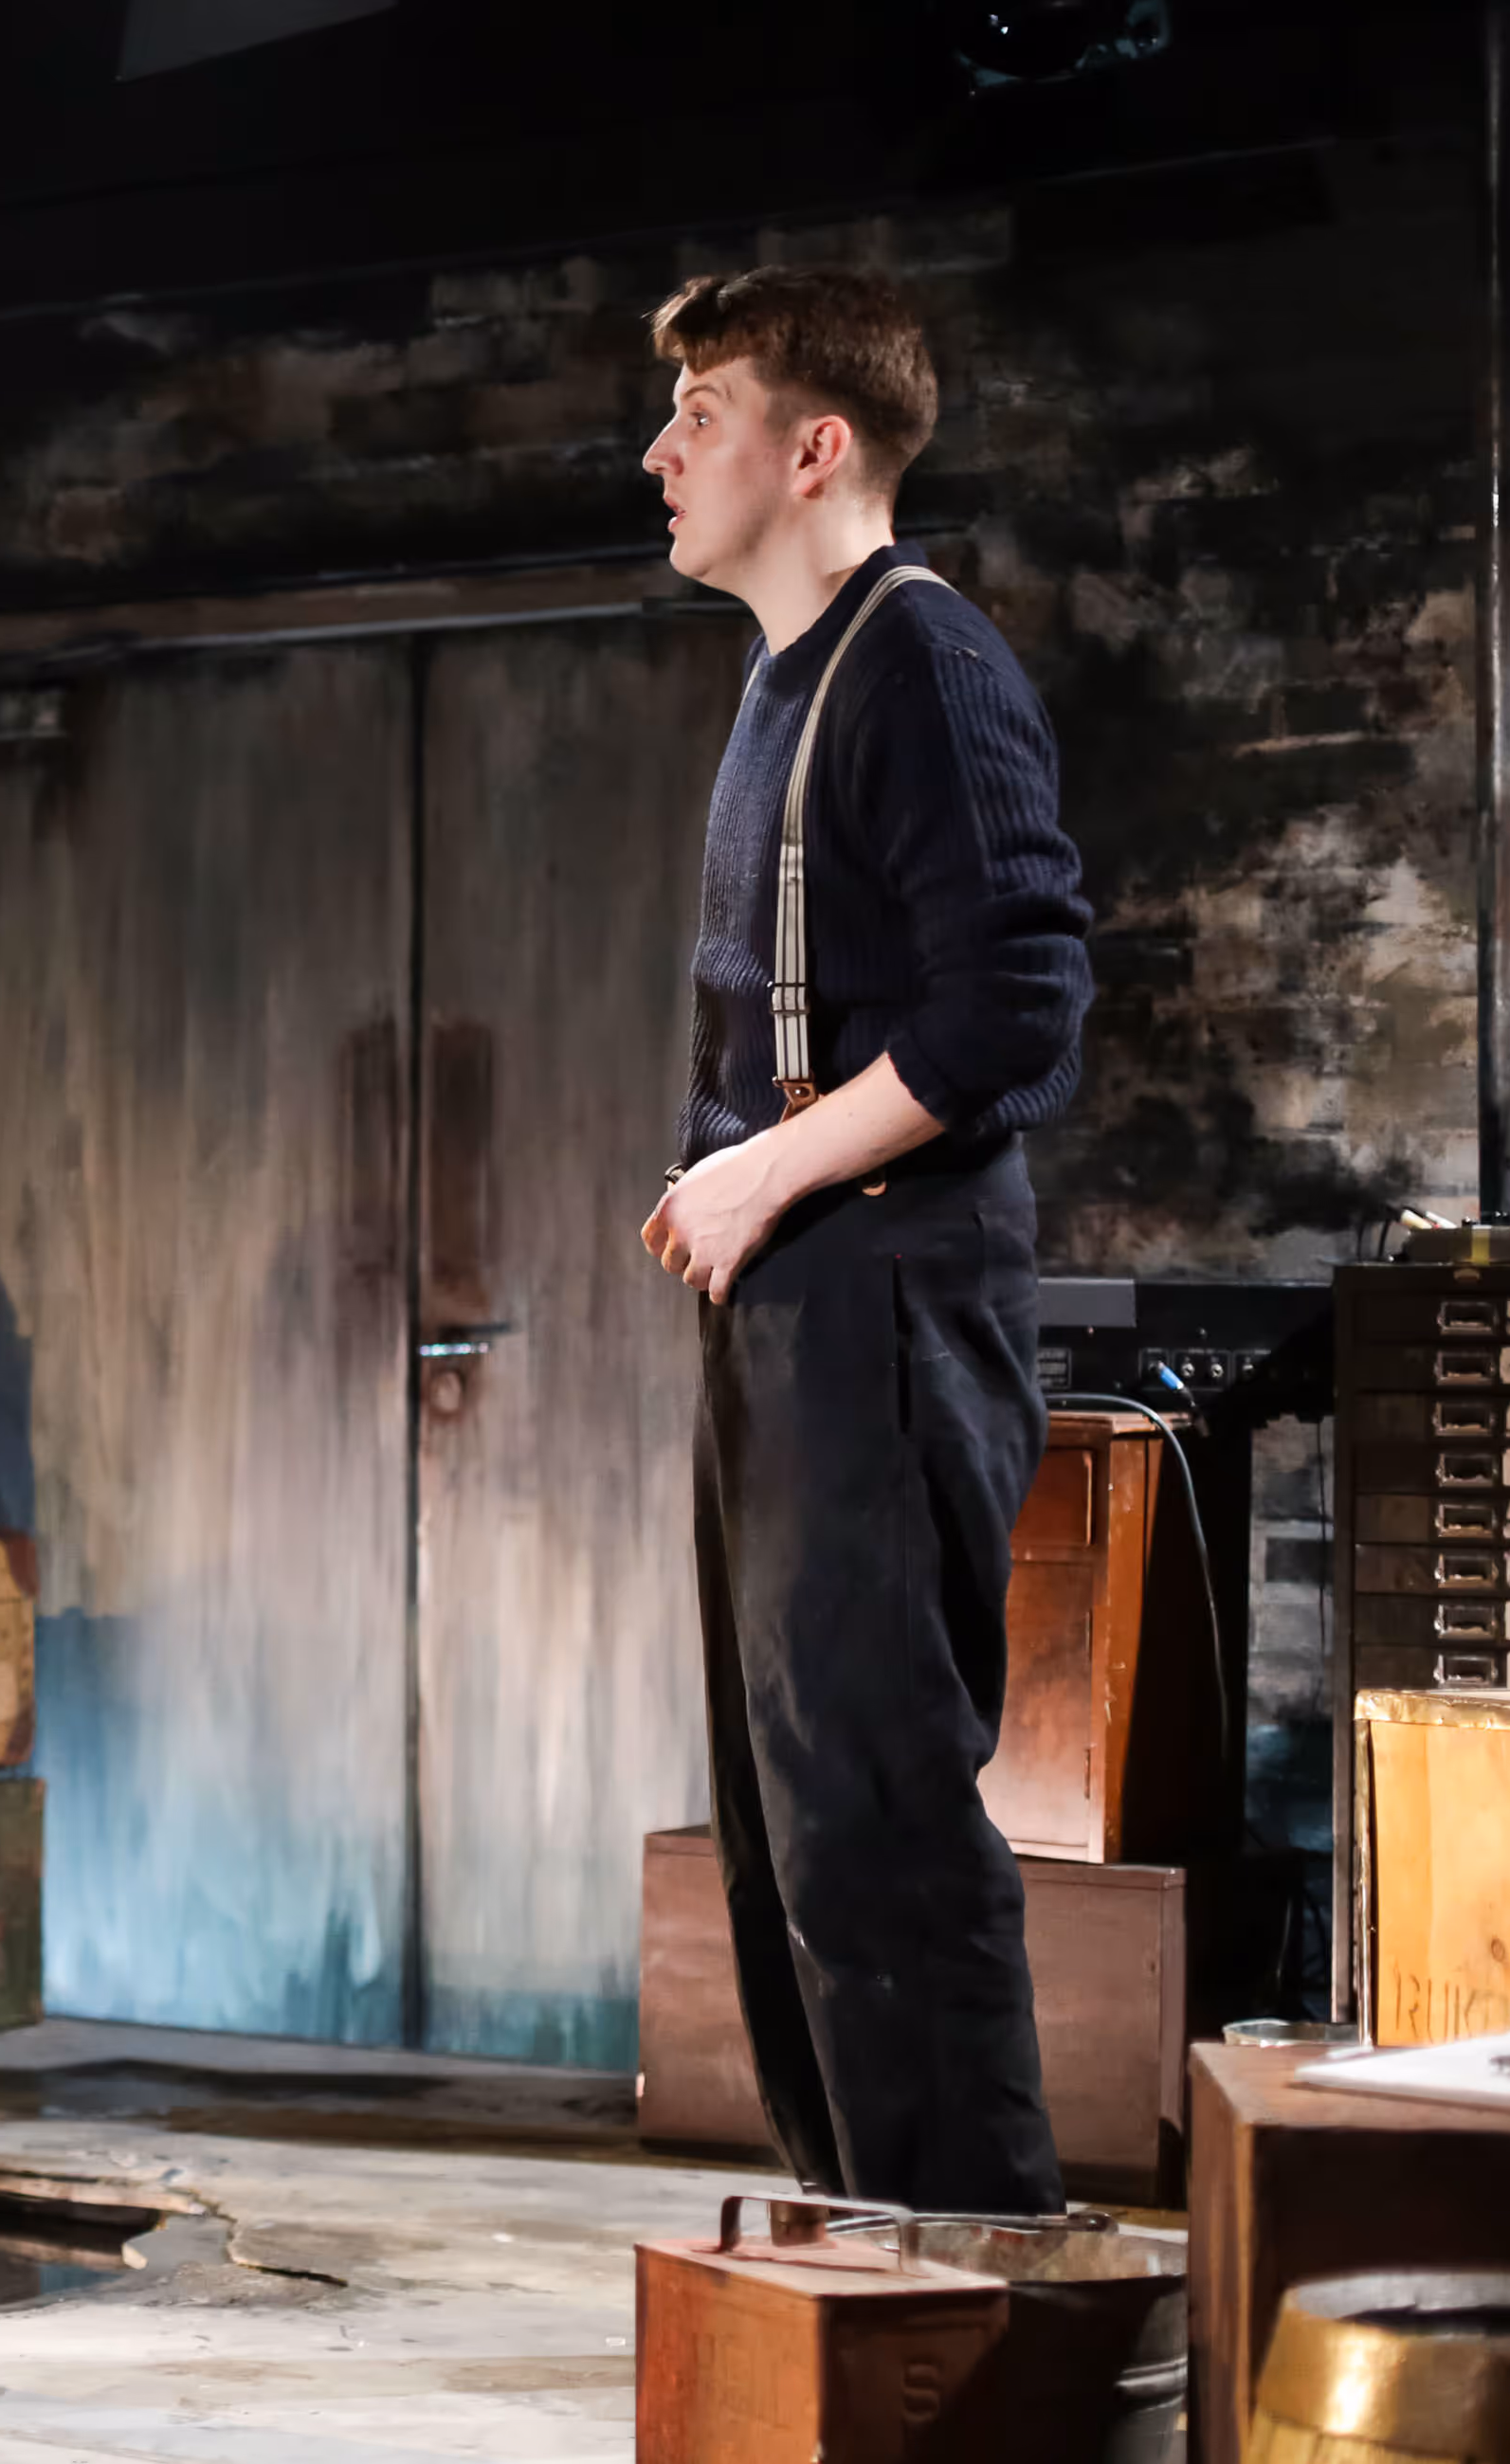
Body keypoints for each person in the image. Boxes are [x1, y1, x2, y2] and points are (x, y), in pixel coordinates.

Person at [633, 266, 1093, 2213]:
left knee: (880, 1808)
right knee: (787, 1810)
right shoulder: (783, 675)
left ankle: (971, 2282)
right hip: (796, 1297)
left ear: (813, 447)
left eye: (702, 412)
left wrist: (762, 1170)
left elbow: (1014, 1004)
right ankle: (863, 2249)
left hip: (887, 1284)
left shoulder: (921, 663)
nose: (659, 453)